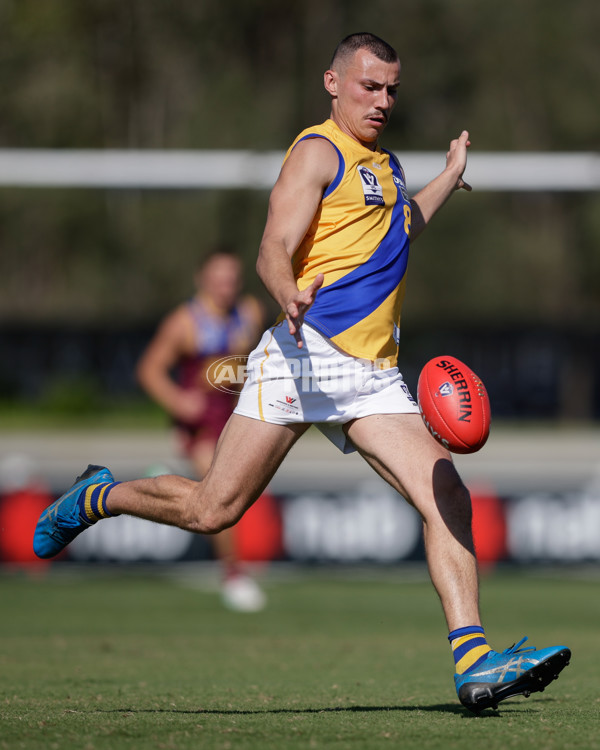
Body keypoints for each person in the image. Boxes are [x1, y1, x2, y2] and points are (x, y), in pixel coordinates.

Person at [33, 32, 570, 712]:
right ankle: (95, 497)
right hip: (304, 354)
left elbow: (404, 228)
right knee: (213, 509)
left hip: (372, 374)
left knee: (448, 497)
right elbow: (272, 245)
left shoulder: (387, 165)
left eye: (392, 89)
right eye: (370, 86)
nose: (383, 99)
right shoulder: (318, 151)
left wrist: (447, 176)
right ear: (333, 82)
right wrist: (286, 290)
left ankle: (474, 665)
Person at [136, 250, 267, 612]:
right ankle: (234, 575)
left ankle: (164, 484)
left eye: (232, 279)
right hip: (202, 424)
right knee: (218, 488)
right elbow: (149, 369)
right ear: (202, 280)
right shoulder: (184, 322)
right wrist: (179, 401)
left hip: (237, 415)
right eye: (218, 279)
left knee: (233, 491)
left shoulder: (250, 312)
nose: (226, 287)